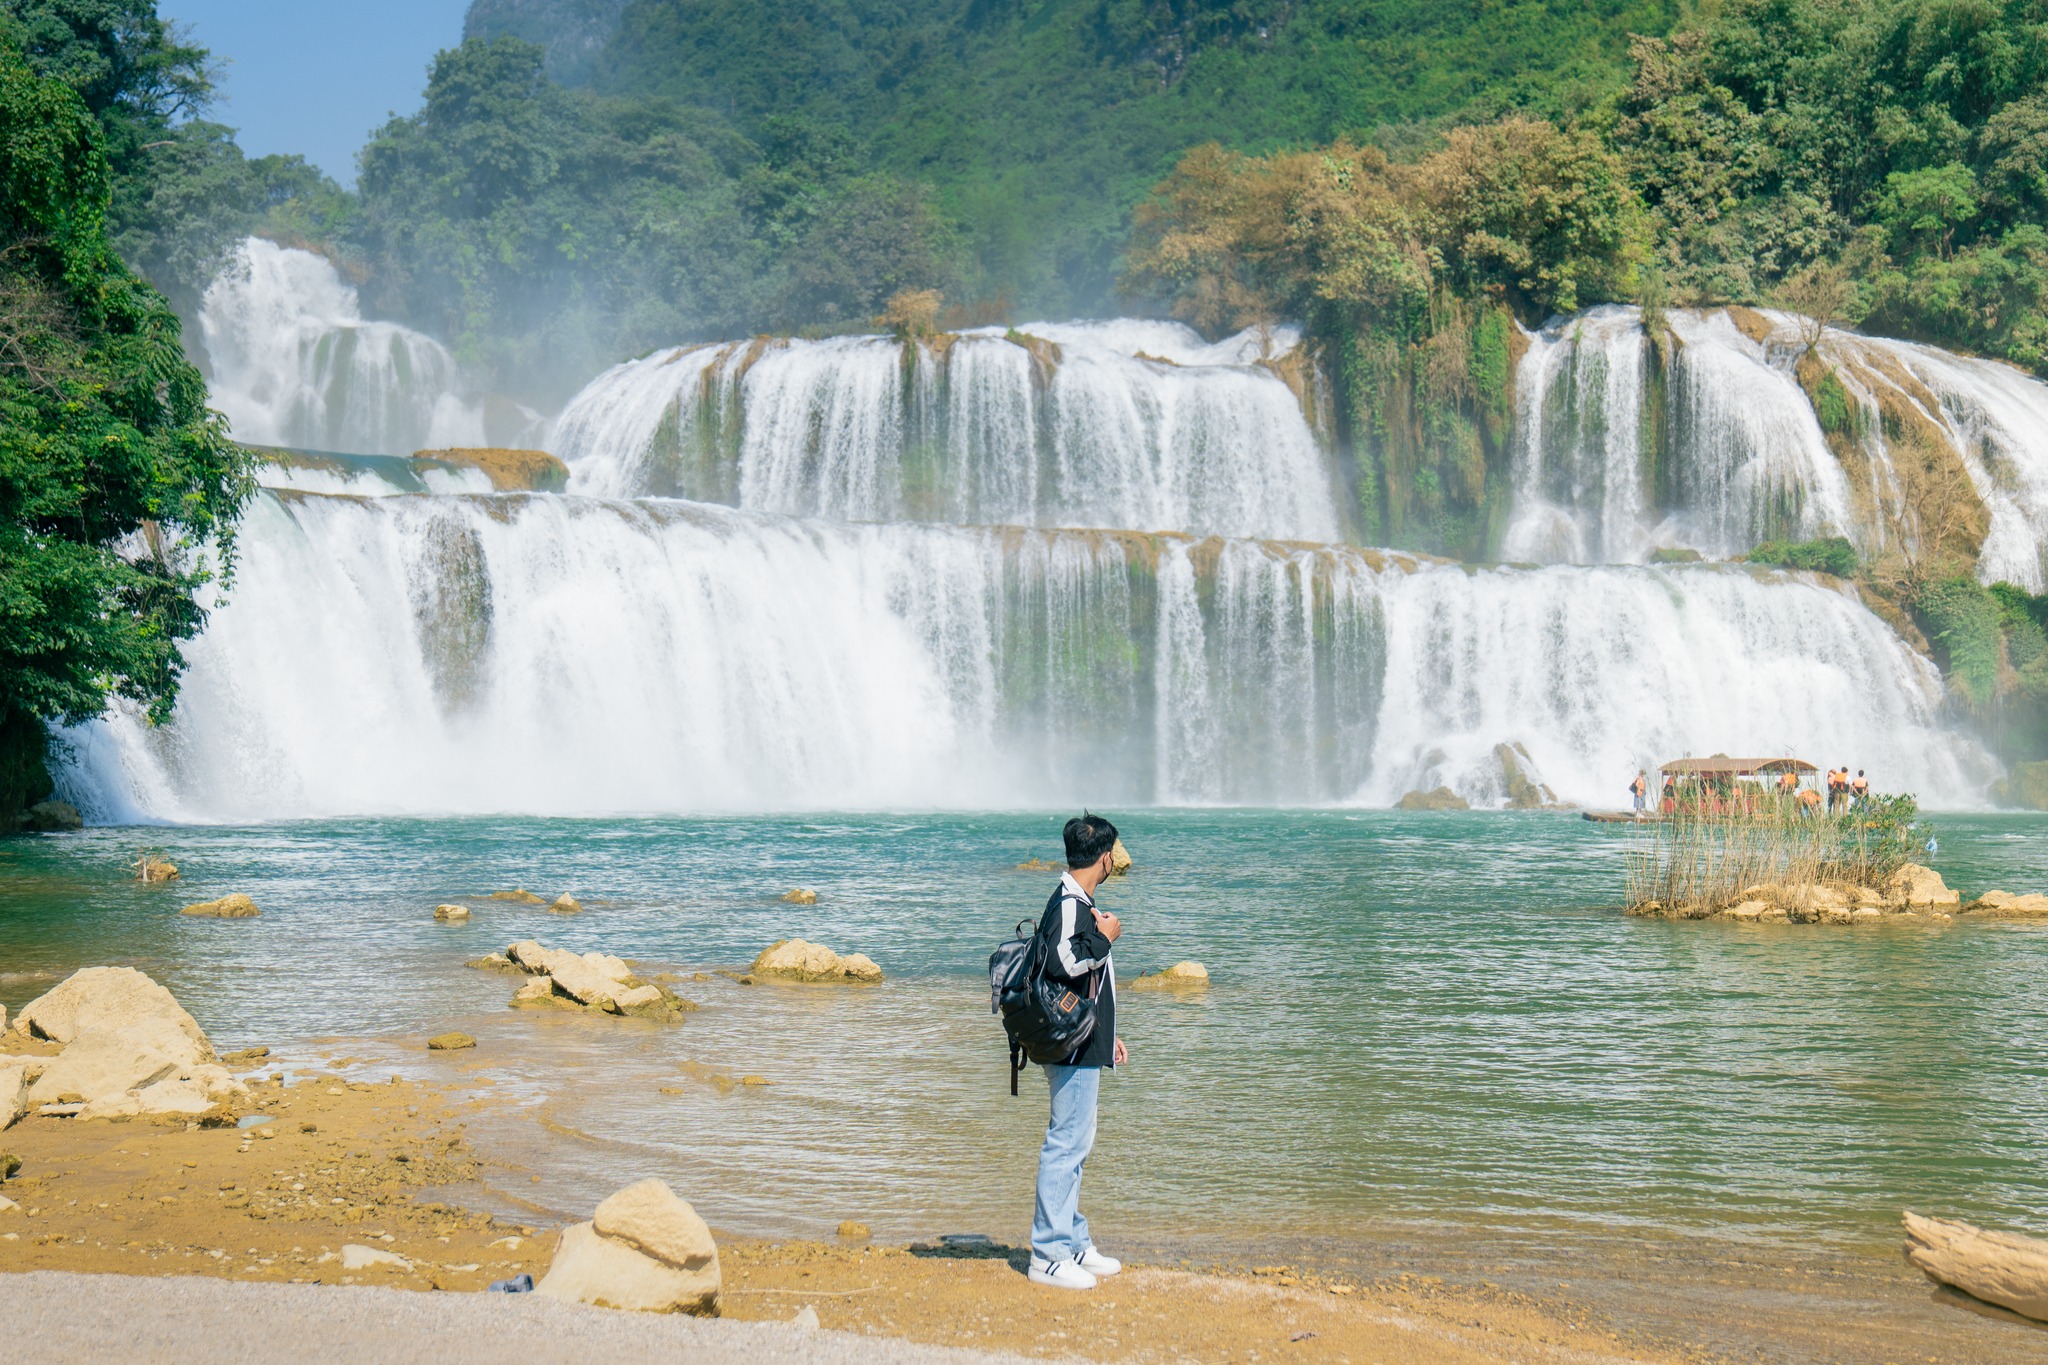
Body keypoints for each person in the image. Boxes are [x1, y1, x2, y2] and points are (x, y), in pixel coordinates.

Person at [1027, 813, 1127, 1291]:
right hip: (1070, 1041)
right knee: (1066, 1145)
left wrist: (1110, 1034)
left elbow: (1088, 981)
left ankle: (1072, 1241)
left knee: (1076, 1144)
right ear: (1105, 858)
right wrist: (1104, 937)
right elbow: (1063, 962)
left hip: (1084, 1036)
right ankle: (1047, 1254)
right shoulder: (1069, 902)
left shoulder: (1079, 899)